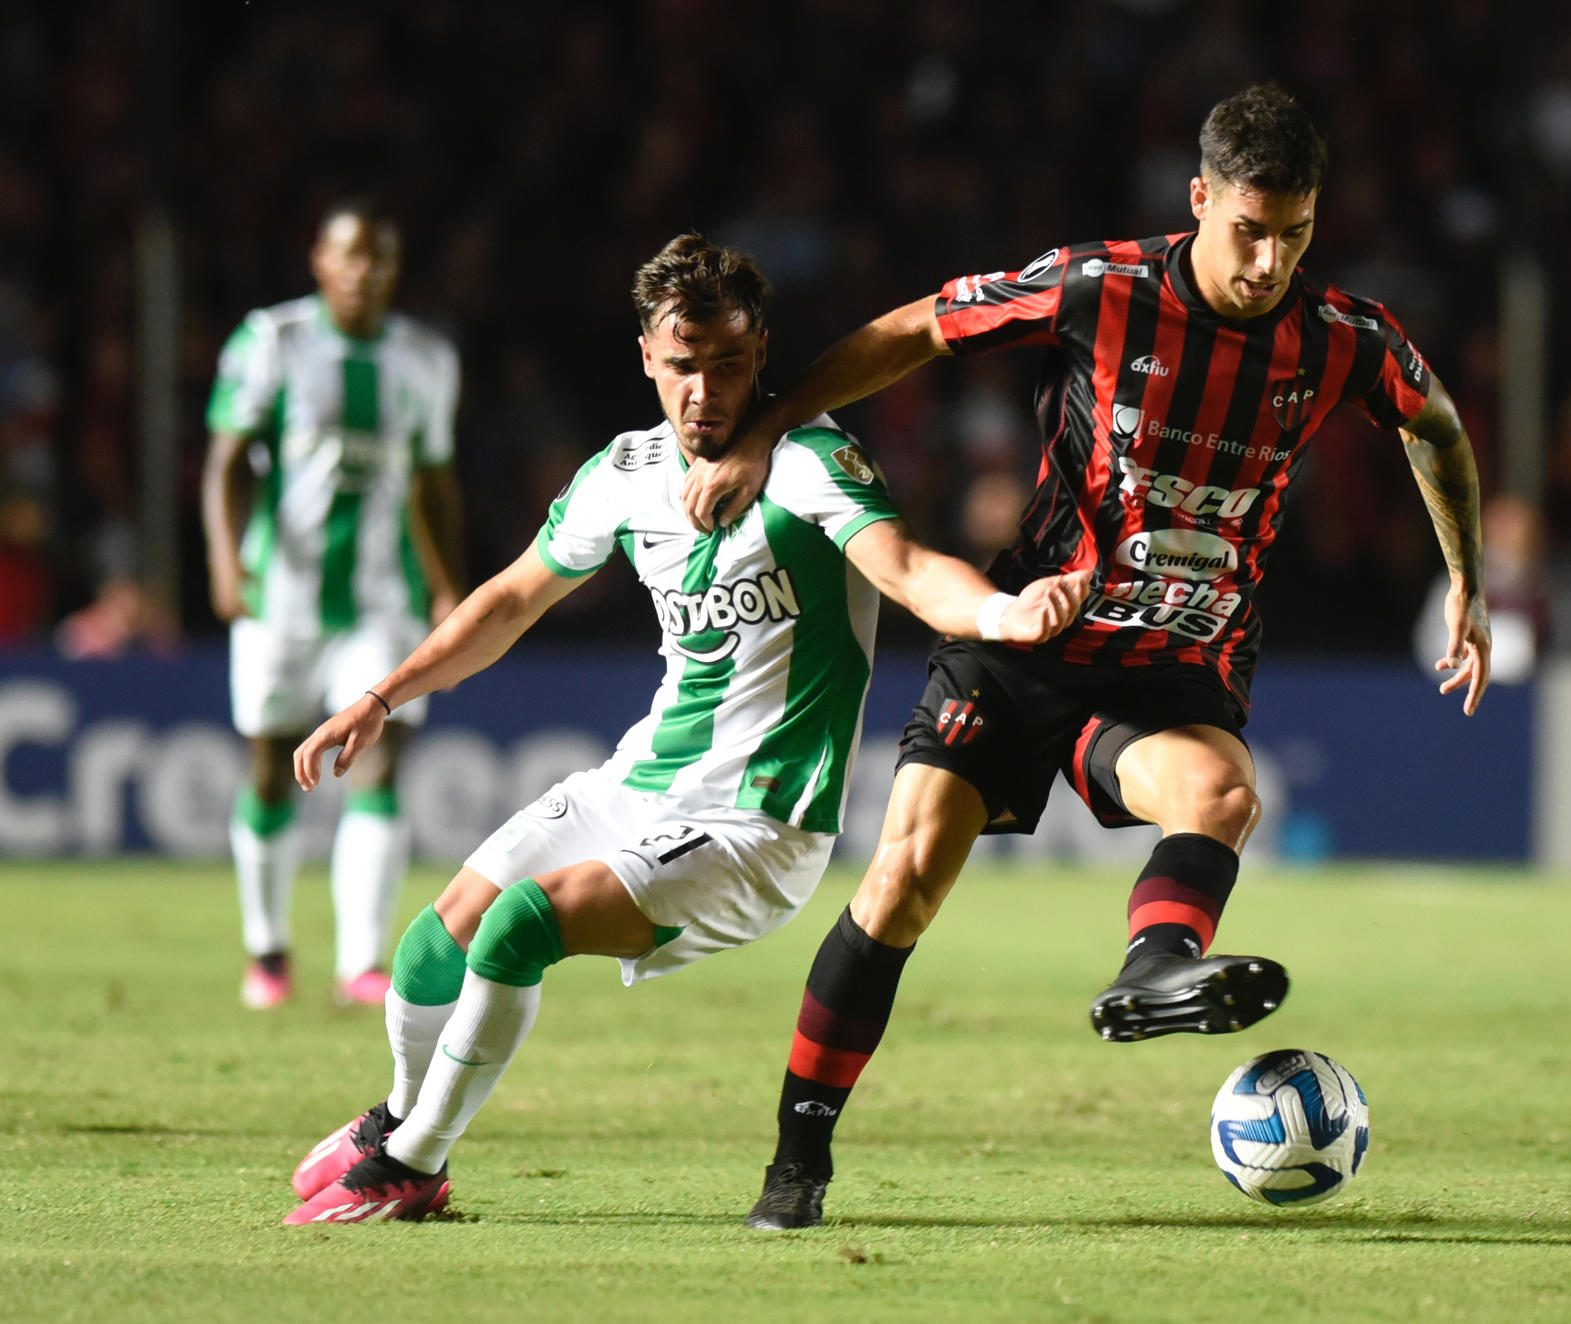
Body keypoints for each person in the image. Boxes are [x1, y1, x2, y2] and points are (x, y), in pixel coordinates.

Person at [678, 83, 1493, 1229]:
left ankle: (1157, 965)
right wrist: (764, 431)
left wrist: (1465, 575)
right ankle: (797, 1162)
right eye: (1249, 231)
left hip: (1174, 669)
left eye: (1295, 235)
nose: (1268, 262)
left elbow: (1437, 423)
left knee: (1220, 792)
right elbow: (914, 327)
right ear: (1201, 198)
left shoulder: (1343, 341)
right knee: (903, 882)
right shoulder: (1099, 286)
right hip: (1031, 631)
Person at [277, 234, 1089, 1225]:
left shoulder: (812, 463)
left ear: (760, 355)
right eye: (684, 365)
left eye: (729, 363)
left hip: (762, 823)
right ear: (646, 358)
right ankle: (400, 1117)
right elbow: (508, 599)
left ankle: (414, 1161)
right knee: (428, 948)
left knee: (525, 921)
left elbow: (910, 570)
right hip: (641, 783)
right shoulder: (626, 471)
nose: (705, 390)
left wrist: (1005, 613)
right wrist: (378, 696)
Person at [201, 201, 465, 1009]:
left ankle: (361, 962)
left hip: (382, 600)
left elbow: (432, 481)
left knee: (379, 759)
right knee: (271, 767)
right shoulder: (272, 342)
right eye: (350, 256)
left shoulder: (424, 359)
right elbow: (225, 461)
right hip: (279, 594)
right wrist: (223, 558)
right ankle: (269, 951)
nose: (365, 272)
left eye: (380, 258)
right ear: (319, 259)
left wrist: (448, 582)